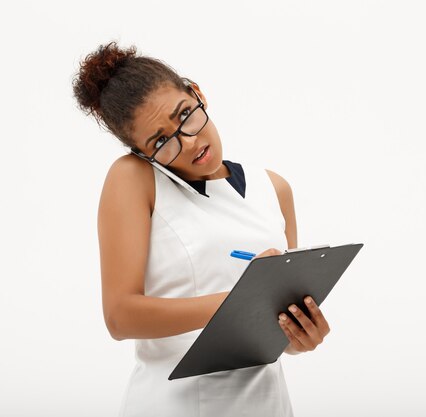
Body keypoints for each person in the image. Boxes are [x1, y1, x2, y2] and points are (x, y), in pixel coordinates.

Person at [72, 41, 331, 417]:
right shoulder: (135, 179)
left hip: (267, 404)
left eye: (184, 115)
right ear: (143, 154)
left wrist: (299, 336)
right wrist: (243, 299)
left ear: (198, 94)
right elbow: (120, 315)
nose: (189, 142)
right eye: (161, 142)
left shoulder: (273, 188)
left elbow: (276, 333)